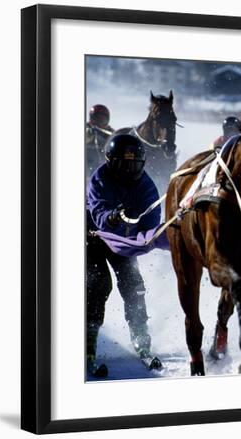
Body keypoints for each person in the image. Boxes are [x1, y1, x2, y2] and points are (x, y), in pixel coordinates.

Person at [86, 132, 163, 378]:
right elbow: (98, 211)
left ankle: (141, 336)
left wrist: (145, 235)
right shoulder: (99, 178)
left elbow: (152, 216)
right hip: (94, 237)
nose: (129, 170)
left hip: (124, 241)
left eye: (134, 165)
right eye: (123, 164)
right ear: (111, 162)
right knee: (98, 285)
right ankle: (88, 339)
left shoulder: (146, 184)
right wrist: (111, 217)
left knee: (133, 284)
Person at [86, 104, 115, 182]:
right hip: (88, 162)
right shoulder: (87, 128)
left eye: (102, 119)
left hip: (104, 163)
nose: (99, 122)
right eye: (97, 119)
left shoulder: (110, 132)